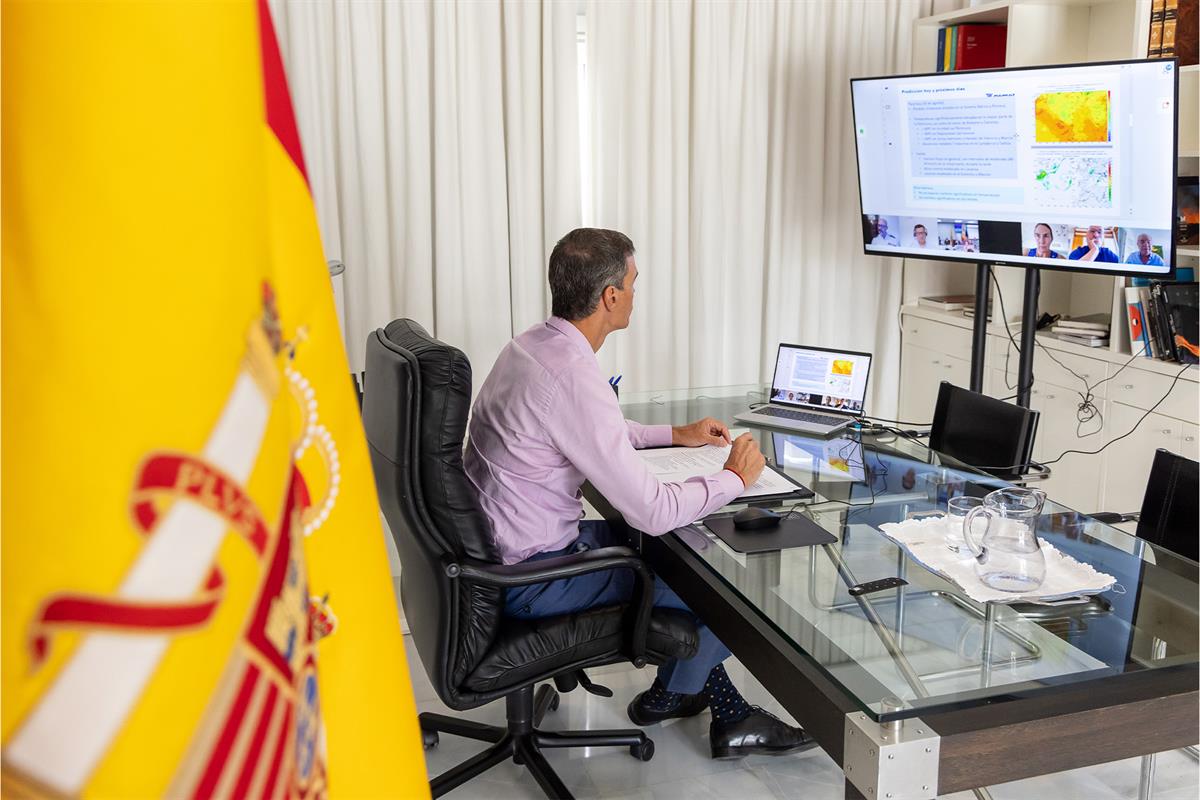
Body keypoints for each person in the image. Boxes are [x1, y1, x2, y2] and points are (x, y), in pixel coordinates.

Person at [464, 228, 815, 759]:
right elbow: (652, 511)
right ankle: (694, 699)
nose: (634, 294)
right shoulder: (572, 373)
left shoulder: (531, 347)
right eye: (632, 283)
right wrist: (735, 479)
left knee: (696, 557)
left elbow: (586, 427)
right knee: (730, 594)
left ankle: (699, 703)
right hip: (535, 577)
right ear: (610, 296)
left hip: (505, 553)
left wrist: (673, 434)